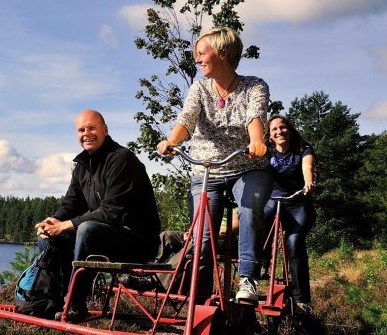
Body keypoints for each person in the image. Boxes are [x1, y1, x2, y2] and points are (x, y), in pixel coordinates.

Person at [156, 27, 272, 304]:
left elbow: (255, 116)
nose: (197, 59)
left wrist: (257, 142)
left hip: (247, 165)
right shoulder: (199, 88)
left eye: (201, 53)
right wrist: (171, 141)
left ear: (223, 53)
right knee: (202, 233)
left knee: (249, 205)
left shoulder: (254, 86)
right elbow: (187, 118)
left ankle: (248, 279)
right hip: (206, 168)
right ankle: (201, 293)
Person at [35, 109, 161, 321]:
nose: (87, 133)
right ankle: (51, 301)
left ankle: (75, 305)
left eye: (92, 128)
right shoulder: (83, 165)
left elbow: (112, 212)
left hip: (139, 241)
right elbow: (71, 203)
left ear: (105, 129)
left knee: (87, 229)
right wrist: (51, 222)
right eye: (81, 130)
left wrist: (67, 225)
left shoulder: (121, 159)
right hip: (108, 236)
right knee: (49, 236)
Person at [263, 115, 316, 315]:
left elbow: (307, 167)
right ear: (270, 135)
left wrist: (308, 182)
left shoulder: (303, 149)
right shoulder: (268, 154)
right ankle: (262, 261)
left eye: (282, 127)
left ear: (290, 129)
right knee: (260, 216)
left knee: (294, 242)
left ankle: (302, 300)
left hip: (298, 205)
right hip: (274, 202)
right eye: (274, 129)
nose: (279, 132)